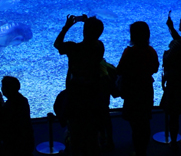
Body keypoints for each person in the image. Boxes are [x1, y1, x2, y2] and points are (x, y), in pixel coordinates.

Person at [53, 14, 105, 156]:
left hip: (76, 96)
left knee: (75, 130)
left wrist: (67, 26)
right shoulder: (99, 47)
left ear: (84, 31)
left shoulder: (73, 48)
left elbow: (57, 44)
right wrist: (88, 21)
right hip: (93, 94)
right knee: (92, 131)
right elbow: (92, 35)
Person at [117, 21, 159, 156]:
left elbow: (120, 69)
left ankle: (138, 151)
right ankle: (143, 151)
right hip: (146, 89)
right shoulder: (151, 51)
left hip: (132, 91)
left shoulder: (129, 52)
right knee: (145, 121)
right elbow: (155, 68)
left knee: (135, 123)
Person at [162, 12, 181, 151]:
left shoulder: (177, 45)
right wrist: (171, 28)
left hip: (176, 84)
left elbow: (167, 60)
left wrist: (169, 51)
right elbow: (180, 41)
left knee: (174, 114)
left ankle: (174, 142)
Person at [0, 76, 34, 156]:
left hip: (14, 145)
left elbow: (3, 126)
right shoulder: (23, 100)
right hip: (27, 140)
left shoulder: (8, 107)